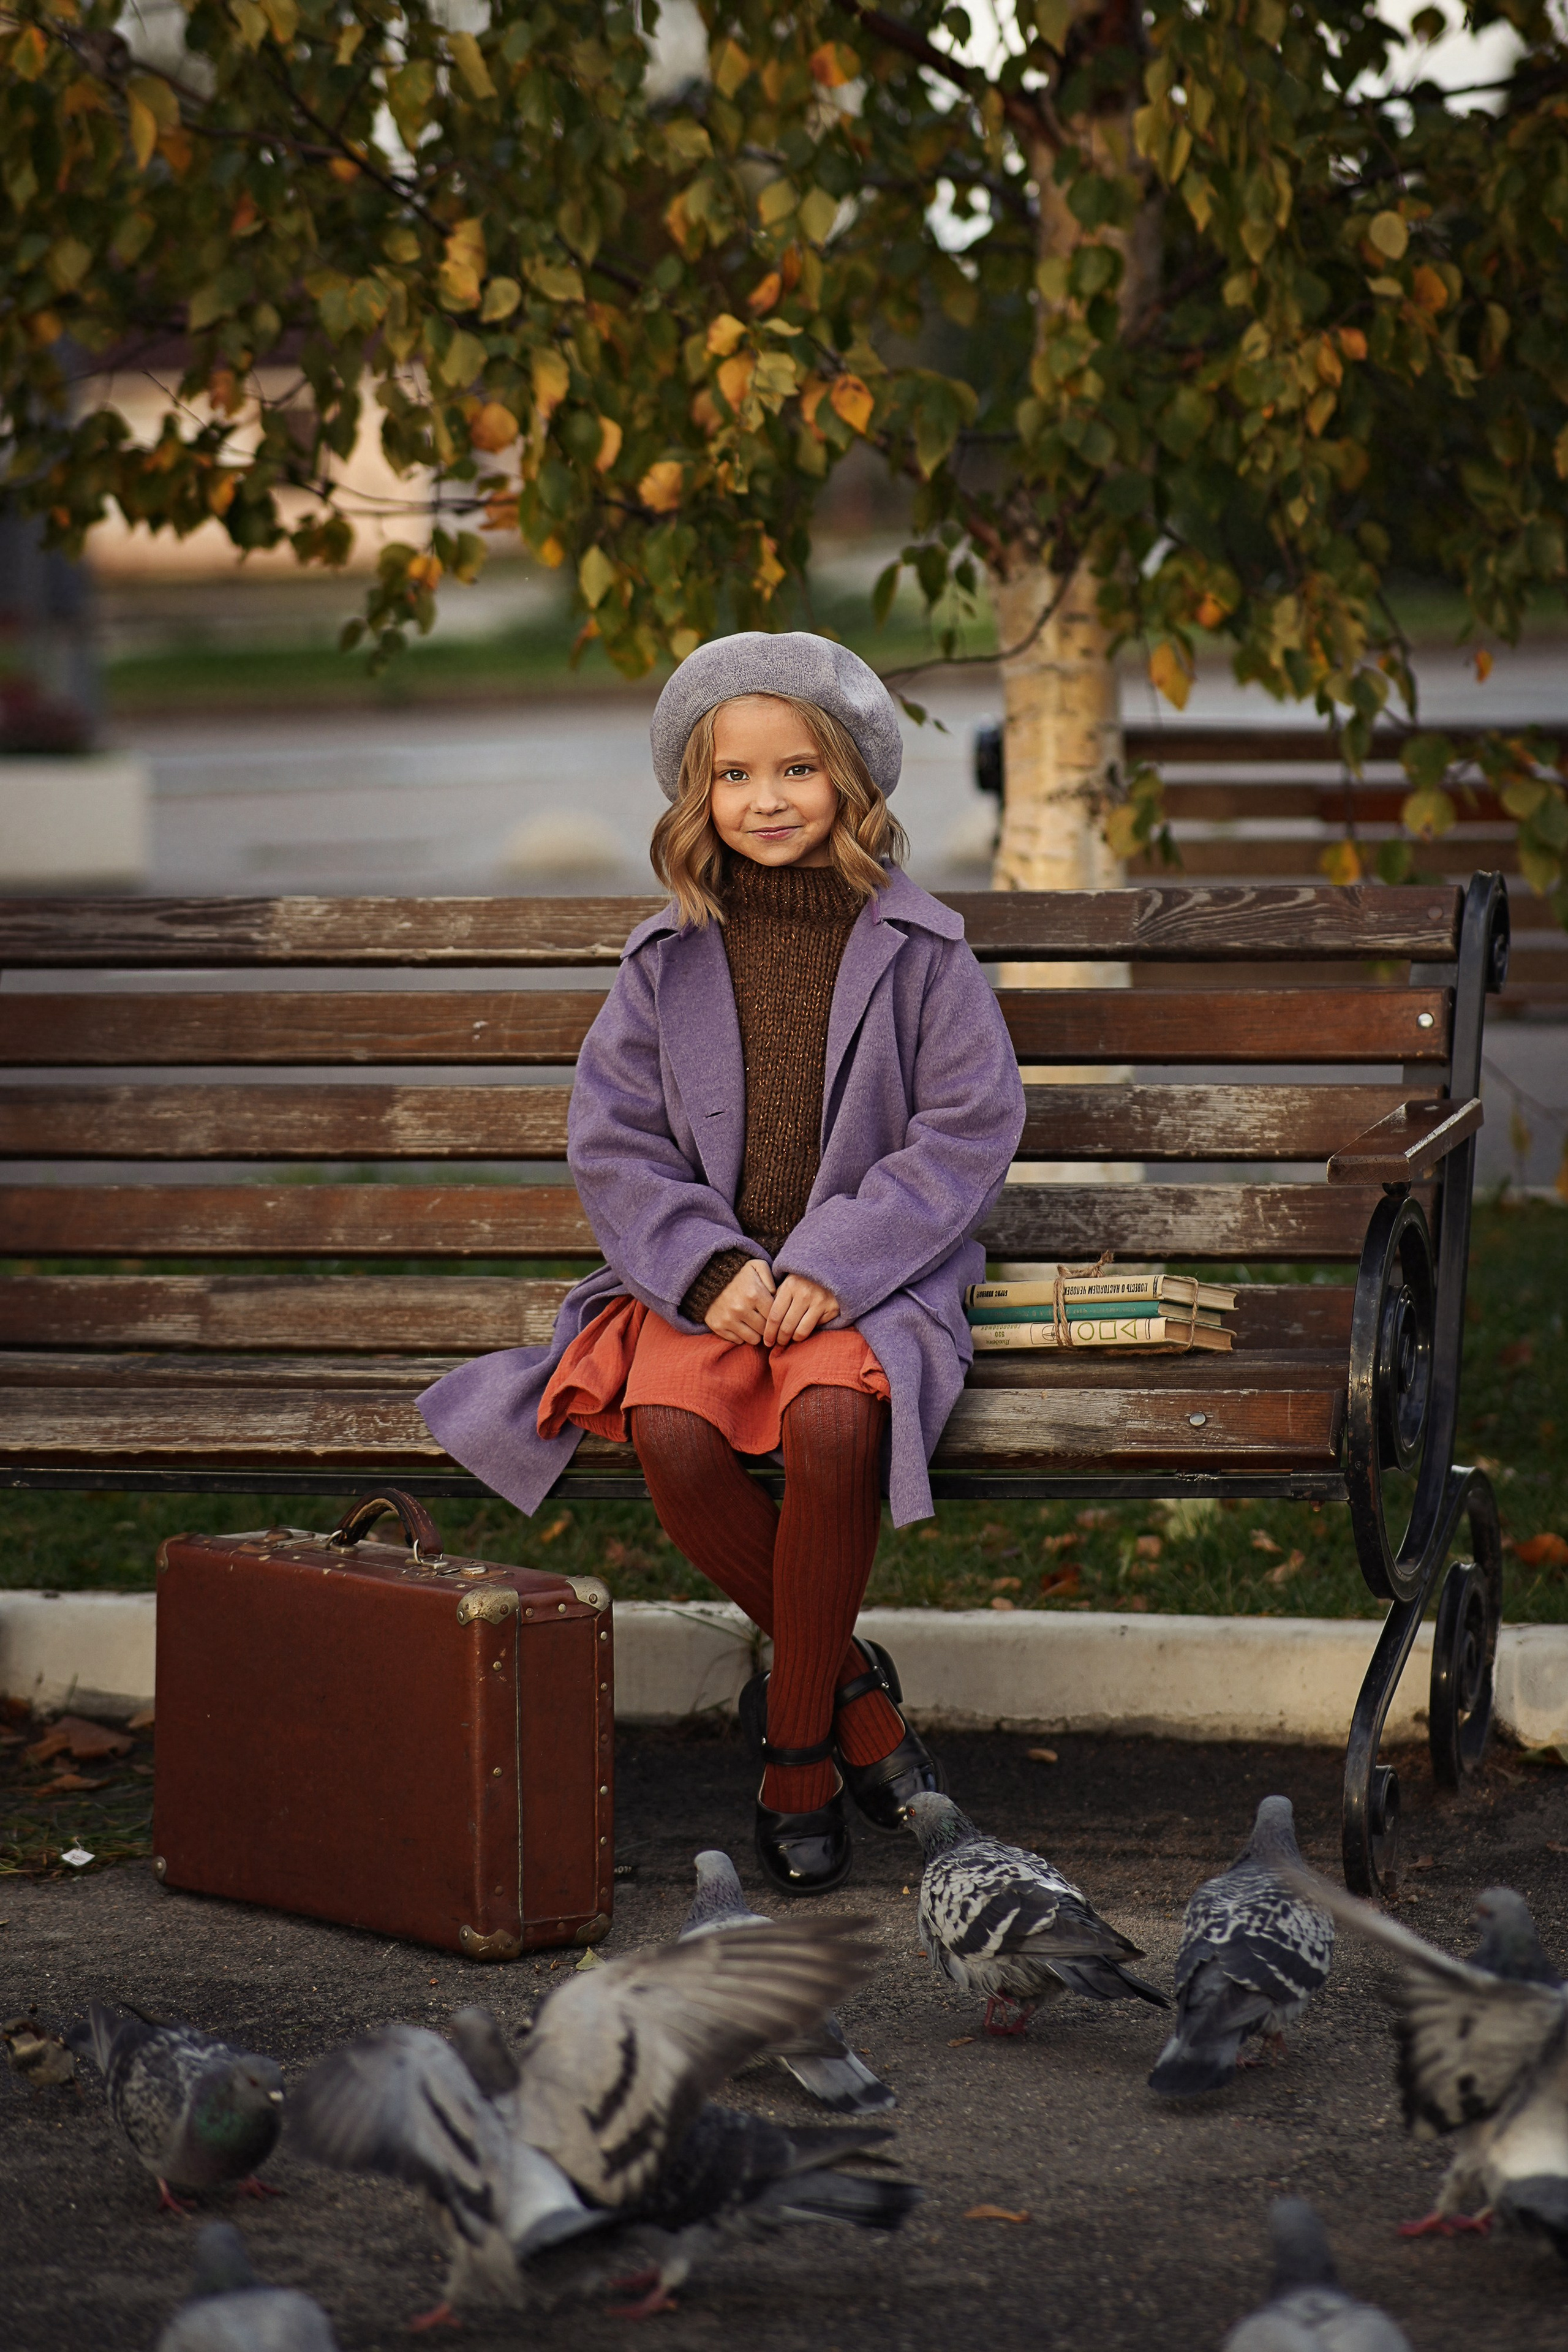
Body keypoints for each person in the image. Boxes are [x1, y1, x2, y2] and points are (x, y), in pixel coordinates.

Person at [420, 633, 1025, 1894]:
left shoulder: (922, 953)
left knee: (829, 1426)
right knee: (680, 1444)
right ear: (694, 798)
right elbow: (615, 1143)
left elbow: (966, 1126)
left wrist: (836, 1263)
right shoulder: (664, 960)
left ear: (851, 780)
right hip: (704, 1283)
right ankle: (858, 1704)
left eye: (796, 768)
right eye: (733, 776)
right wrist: (700, 1272)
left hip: (866, 1280)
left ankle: (795, 1763)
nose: (764, 799)